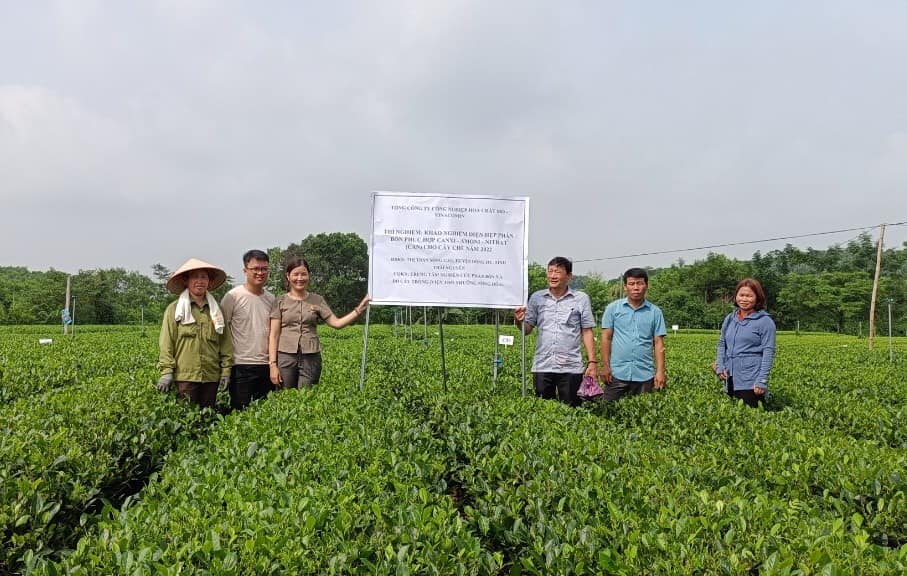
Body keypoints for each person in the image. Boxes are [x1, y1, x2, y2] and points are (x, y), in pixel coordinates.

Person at [268, 256, 370, 388]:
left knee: (307, 397)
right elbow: (274, 335)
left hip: (311, 357)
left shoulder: (317, 300)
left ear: (309, 276)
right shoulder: (280, 301)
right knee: (284, 397)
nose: (300, 278)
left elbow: (336, 323)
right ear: (288, 276)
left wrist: (359, 310)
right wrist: (273, 365)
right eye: (296, 274)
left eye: (304, 274)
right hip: (285, 357)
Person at [513, 256, 597, 407]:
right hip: (543, 365)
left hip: (571, 366)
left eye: (557, 272)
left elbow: (587, 331)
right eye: (550, 271)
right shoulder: (537, 298)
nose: (552, 275)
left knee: (572, 410)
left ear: (569, 276)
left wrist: (592, 361)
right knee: (542, 411)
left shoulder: (581, 299)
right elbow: (526, 330)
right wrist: (519, 320)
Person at [157, 258, 233, 409]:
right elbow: (167, 343)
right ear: (186, 281)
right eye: (195, 277)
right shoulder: (174, 309)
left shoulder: (216, 310)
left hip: (211, 376)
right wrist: (166, 372)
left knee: (207, 419)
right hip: (185, 377)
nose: (200, 281)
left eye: (204, 277)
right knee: (186, 421)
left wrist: (226, 371)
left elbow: (225, 343)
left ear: (209, 281)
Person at [220, 249, 276, 410]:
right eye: (255, 269)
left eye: (264, 269)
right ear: (245, 270)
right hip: (241, 365)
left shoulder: (271, 299)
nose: (260, 273)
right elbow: (222, 331)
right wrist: (224, 367)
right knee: (240, 412)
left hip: (266, 366)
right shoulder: (233, 297)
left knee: (265, 416)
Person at [599, 267, 667, 401]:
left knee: (644, 415)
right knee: (608, 411)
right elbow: (606, 338)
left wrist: (660, 371)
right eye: (631, 284)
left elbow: (658, 343)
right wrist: (605, 366)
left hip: (645, 374)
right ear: (625, 287)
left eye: (640, 283)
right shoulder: (613, 309)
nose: (636, 287)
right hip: (617, 373)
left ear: (646, 286)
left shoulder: (655, 312)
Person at [714, 278, 776, 408]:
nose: (744, 299)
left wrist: (762, 380)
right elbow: (722, 344)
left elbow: (768, 352)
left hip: (751, 380)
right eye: (741, 295)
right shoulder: (730, 318)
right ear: (736, 296)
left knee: (751, 418)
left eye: (749, 296)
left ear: (757, 298)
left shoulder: (765, 321)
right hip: (730, 377)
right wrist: (720, 366)